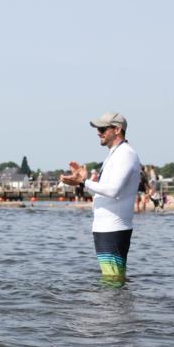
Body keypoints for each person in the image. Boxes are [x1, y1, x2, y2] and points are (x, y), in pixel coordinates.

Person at [61, 112, 142, 281]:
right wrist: (85, 181)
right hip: (105, 228)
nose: (98, 132)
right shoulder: (114, 154)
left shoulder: (125, 154)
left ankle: (115, 308)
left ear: (117, 129)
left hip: (114, 228)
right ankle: (116, 307)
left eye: (103, 129)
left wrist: (83, 182)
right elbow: (101, 191)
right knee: (111, 280)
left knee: (113, 281)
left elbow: (113, 191)